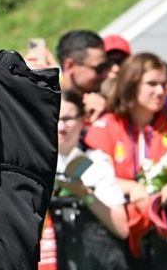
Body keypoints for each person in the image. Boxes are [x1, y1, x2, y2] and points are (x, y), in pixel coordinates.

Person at [85, 53, 167, 256]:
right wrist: (131, 187)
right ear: (131, 84)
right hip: (111, 238)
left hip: (166, 239)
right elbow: (92, 175)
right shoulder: (105, 126)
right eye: (151, 84)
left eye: (163, 84)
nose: (160, 91)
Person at [55, 90, 128, 238]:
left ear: (83, 120)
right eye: (55, 118)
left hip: (85, 256)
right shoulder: (30, 161)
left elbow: (122, 228)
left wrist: (85, 195)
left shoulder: (96, 162)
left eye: (68, 119)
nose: (61, 127)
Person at [55, 29, 109, 123]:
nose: (105, 74)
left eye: (107, 66)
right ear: (70, 66)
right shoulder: (54, 110)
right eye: (99, 68)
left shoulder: (106, 99)